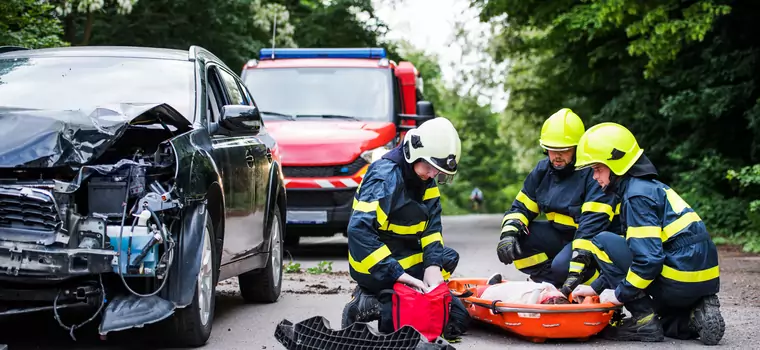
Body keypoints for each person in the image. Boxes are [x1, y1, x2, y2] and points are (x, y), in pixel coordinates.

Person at [570, 122, 724, 345]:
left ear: (616, 165)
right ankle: (691, 316)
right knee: (664, 318)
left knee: (600, 241)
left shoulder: (635, 197)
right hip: (705, 278)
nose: (595, 177)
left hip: (677, 278)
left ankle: (645, 323)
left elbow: (648, 260)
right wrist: (595, 288)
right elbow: (635, 251)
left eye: (597, 169)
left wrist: (619, 294)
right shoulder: (650, 187)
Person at [341, 117, 469, 341]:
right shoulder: (385, 177)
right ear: (413, 154)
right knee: (396, 325)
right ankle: (366, 300)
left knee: (456, 318)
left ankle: (399, 296)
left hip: (404, 257)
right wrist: (399, 275)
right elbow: (359, 231)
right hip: (374, 265)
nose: (431, 176)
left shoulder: (425, 180)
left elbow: (432, 230)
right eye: (429, 168)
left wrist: (432, 267)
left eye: (437, 171)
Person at [496, 108, 621, 297]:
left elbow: (591, 226)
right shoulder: (542, 170)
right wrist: (508, 234)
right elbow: (520, 208)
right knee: (518, 242)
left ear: (578, 148)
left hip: (594, 243)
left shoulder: (593, 172)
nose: (557, 155)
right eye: (552, 150)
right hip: (562, 236)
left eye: (564, 150)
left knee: (564, 266)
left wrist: (575, 268)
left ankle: (599, 286)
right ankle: (553, 285)